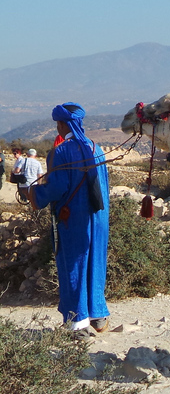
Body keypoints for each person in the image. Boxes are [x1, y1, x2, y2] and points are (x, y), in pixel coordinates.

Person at [29, 103, 111, 343]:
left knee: (73, 264)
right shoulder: (97, 148)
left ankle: (78, 323)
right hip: (98, 220)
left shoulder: (61, 152)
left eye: (58, 123)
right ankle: (98, 314)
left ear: (62, 124)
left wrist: (34, 195)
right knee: (95, 260)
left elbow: (57, 187)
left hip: (73, 218)